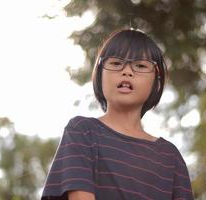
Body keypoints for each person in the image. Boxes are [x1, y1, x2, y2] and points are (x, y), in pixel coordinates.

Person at [41, 29, 194, 200]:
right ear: (100, 73)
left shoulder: (171, 157)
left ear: (156, 80)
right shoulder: (83, 131)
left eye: (140, 65)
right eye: (116, 63)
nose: (127, 71)